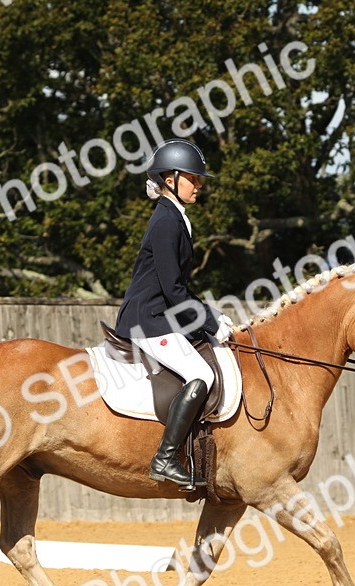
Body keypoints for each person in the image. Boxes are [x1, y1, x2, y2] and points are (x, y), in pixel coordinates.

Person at [114, 138, 233, 489]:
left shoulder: (174, 217)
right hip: (147, 320)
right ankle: (165, 458)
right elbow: (173, 291)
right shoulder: (167, 221)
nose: (200, 185)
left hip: (158, 314)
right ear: (171, 179)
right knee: (202, 375)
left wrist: (210, 317)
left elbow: (179, 286)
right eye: (194, 178)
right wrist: (210, 321)